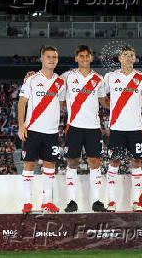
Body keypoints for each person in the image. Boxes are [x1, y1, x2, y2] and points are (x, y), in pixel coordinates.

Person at [60, 45, 109, 213]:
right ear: (76, 58)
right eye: (81, 56)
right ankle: (71, 201)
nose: (84, 58)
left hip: (93, 127)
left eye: (87, 56)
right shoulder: (66, 77)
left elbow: (103, 100)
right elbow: (60, 100)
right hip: (73, 126)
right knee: (72, 162)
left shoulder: (98, 79)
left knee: (95, 163)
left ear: (91, 58)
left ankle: (96, 201)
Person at [18, 45, 65, 213]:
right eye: (49, 56)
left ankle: (47, 201)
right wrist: (21, 125)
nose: (52, 59)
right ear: (41, 58)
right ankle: (27, 202)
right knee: (29, 164)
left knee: (49, 165)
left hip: (51, 132)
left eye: (55, 57)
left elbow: (63, 102)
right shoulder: (31, 79)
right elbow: (22, 102)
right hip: (33, 130)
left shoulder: (60, 82)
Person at [104, 45, 142, 212]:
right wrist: (114, 108)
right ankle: (111, 201)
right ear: (120, 58)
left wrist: (134, 106)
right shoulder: (110, 77)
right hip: (116, 128)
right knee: (114, 162)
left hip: (135, 128)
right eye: (125, 55)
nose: (128, 58)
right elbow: (100, 95)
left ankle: (136, 201)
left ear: (135, 59)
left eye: (131, 55)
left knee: (136, 162)